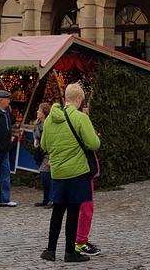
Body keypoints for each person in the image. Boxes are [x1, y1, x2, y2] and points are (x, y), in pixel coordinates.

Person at [40, 83, 100, 263]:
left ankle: (50, 250)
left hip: (58, 173)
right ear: (79, 99)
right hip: (77, 172)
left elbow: (44, 145)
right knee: (73, 212)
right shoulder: (81, 118)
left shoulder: (50, 118)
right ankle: (70, 252)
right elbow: (93, 144)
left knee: (57, 211)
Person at [73, 101, 101, 257]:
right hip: (82, 169)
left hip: (65, 171)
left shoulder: (59, 119)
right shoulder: (81, 120)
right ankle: (80, 242)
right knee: (86, 208)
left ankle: (76, 241)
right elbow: (93, 143)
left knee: (70, 208)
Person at [33, 102, 53, 208]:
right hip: (42, 152)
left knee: (46, 175)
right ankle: (46, 199)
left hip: (49, 153)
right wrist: (36, 141)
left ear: (44, 112)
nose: (37, 111)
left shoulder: (49, 124)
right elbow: (36, 135)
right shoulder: (38, 123)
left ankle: (51, 199)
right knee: (45, 176)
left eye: (39, 110)